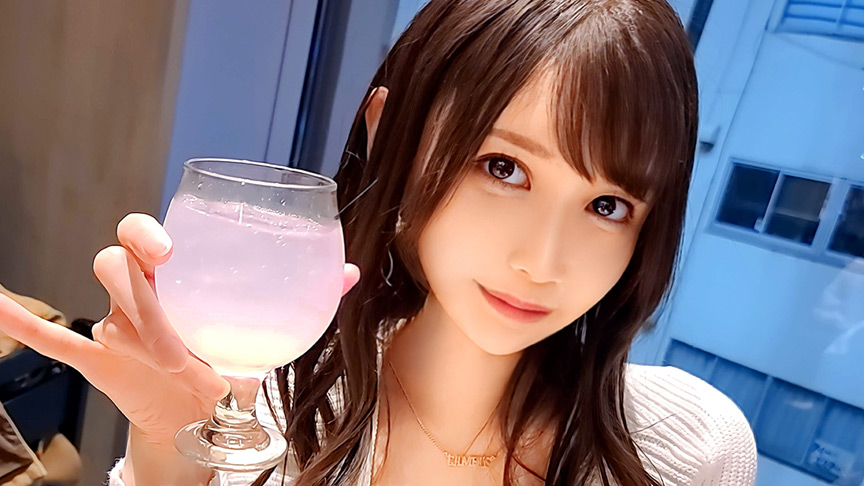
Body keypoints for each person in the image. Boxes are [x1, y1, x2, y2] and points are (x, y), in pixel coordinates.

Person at [0, 1, 759, 484]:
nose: (542, 261)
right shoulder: (263, 410)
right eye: (504, 168)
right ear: (388, 130)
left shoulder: (688, 449)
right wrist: (167, 454)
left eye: (607, 204)